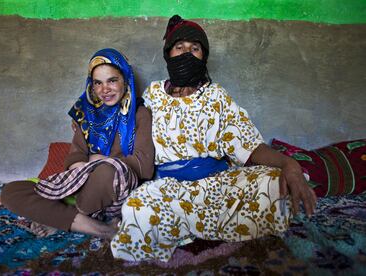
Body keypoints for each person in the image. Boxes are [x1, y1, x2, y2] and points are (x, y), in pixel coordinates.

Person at [110, 15, 317, 261]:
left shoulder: (216, 96)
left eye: (195, 48)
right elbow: (127, 131)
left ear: (203, 57)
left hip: (217, 185)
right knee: (137, 209)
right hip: (169, 189)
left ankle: (188, 227)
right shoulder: (153, 94)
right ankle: (197, 226)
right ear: (168, 54)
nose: (187, 53)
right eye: (180, 47)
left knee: (275, 183)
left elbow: (248, 144)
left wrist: (289, 165)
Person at [1, 48, 155, 239]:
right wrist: (84, 166)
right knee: (11, 191)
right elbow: (76, 156)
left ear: (126, 80)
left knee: (109, 170)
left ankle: (61, 219)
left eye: (112, 81)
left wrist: (102, 162)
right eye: (97, 83)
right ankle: (97, 226)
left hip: (115, 189)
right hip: (80, 183)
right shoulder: (87, 114)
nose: (104, 90)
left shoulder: (140, 114)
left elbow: (145, 166)